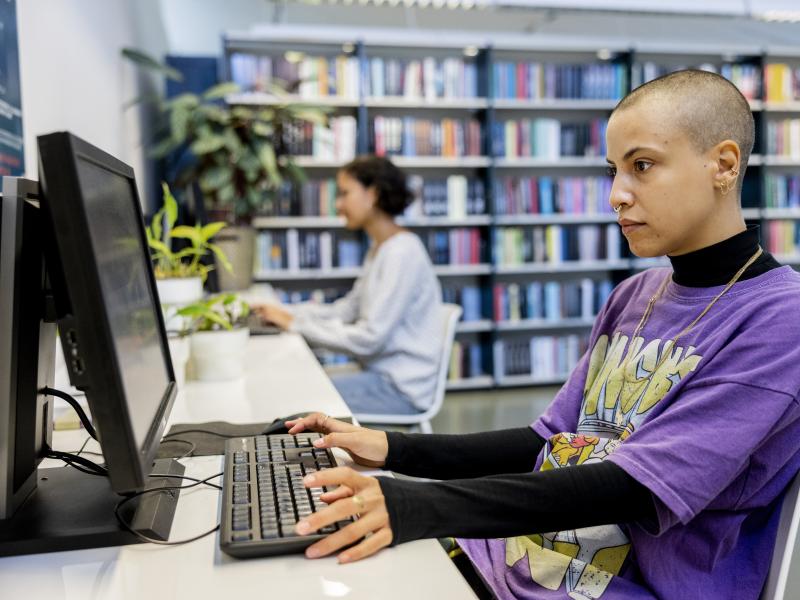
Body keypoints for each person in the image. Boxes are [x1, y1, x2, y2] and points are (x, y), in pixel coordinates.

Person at [279, 70, 800, 600]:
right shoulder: (636, 294)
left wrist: (419, 505)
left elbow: (636, 488)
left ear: (724, 164)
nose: (617, 195)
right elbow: (545, 442)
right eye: (613, 170)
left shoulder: (781, 318)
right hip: (517, 560)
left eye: (642, 166)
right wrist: (393, 449)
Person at [255, 155, 443, 416]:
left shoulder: (401, 253)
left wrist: (295, 324)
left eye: (344, 193)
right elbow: (347, 310)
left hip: (399, 388)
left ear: (373, 194)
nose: (337, 204)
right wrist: (287, 313)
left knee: (293, 396)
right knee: (292, 386)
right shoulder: (381, 248)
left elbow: (369, 339)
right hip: (378, 376)